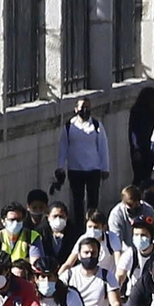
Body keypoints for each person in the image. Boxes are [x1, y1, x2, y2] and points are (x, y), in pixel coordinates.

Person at [56, 91, 112, 222]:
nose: (85, 110)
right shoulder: (69, 126)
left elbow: (103, 147)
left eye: (88, 107)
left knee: (93, 200)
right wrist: (60, 166)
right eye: (82, 107)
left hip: (93, 169)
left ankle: (92, 221)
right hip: (75, 169)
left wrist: (105, 168)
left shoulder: (97, 126)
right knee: (77, 199)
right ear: (76, 109)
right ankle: (79, 224)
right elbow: (63, 147)